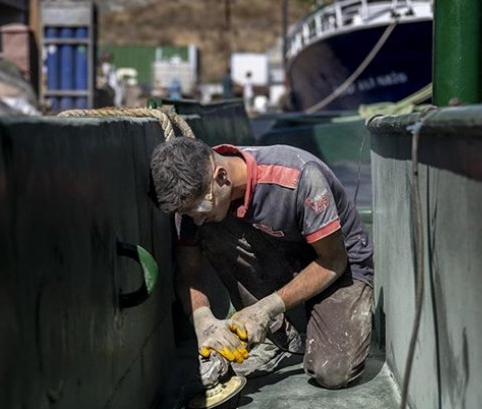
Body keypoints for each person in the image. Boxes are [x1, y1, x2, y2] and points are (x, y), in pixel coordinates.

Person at [150, 137, 374, 389]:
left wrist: (267, 308)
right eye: (190, 214)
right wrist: (203, 321)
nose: (197, 219)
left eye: (201, 208)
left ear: (222, 177)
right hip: (280, 253)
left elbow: (333, 260)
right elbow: (188, 271)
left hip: (336, 264)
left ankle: (278, 318)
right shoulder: (195, 195)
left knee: (332, 373)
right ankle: (277, 337)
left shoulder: (299, 178)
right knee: (210, 228)